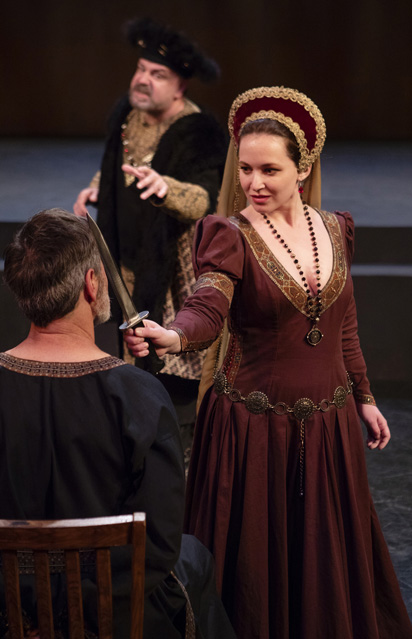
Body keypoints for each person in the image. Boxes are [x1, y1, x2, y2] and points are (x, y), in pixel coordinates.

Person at [124, 87, 412, 638]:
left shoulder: (335, 230)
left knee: (321, 555)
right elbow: (207, 306)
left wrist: (366, 397)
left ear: (301, 170)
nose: (253, 183)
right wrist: (173, 336)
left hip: (328, 429)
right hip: (252, 433)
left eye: (269, 171)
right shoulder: (229, 235)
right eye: (247, 169)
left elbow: (343, 327)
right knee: (256, 564)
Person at [0, 209, 236, 639]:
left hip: (8, 608)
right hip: (113, 613)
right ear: (92, 284)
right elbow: (160, 545)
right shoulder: (136, 394)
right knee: (195, 556)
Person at [73, 17, 227, 447]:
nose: (143, 80)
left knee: (169, 362)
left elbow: (204, 199)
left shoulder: (198, 131)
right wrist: (96, 187)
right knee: (131, 350)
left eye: (157, 75)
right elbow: (116, 159)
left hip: (171, 266)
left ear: (180, 87)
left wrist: (165, 188)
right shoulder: (126, 111)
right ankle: (139, 438)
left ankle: (182, 450)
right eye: (141, 69)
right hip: (128, 256)